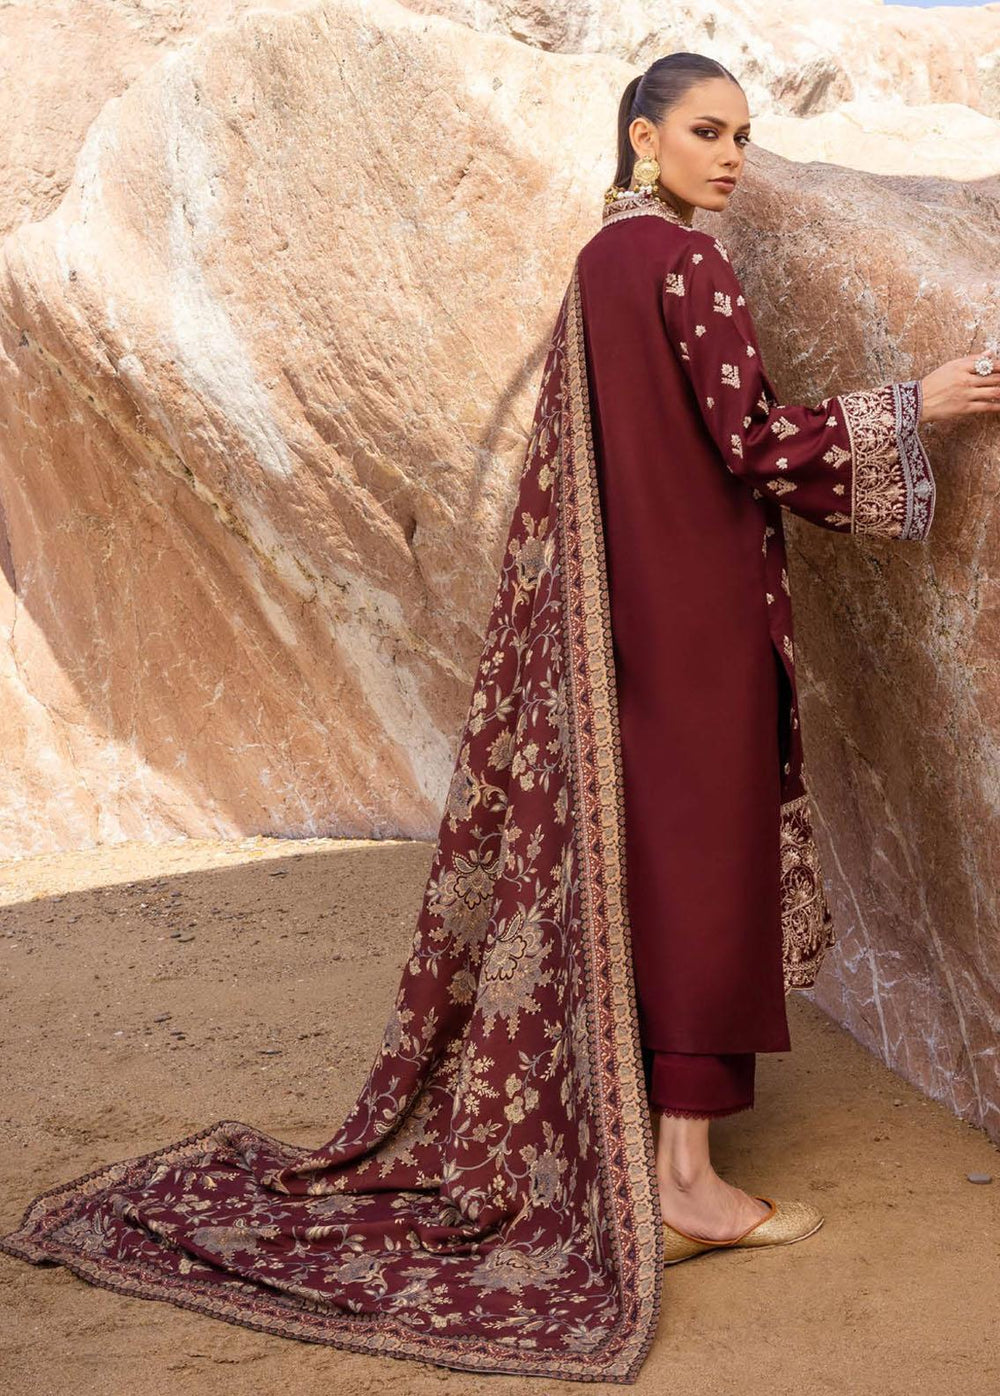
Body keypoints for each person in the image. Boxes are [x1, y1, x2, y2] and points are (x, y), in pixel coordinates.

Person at [1, 49, 995, 1388]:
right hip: (700, 620)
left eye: (742, 135)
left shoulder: (599, 266)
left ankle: (660, 1157)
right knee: (709, 883)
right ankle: (687, 1184)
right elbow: (753, 443)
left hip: (616, 625)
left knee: (657, 875)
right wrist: (917, 406)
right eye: (707, 132)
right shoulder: (687, 265)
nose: (731, 157)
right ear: (643, 137)